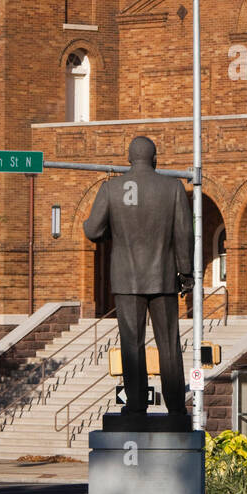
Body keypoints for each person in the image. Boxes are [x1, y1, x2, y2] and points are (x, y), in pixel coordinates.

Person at [83, 136, 194, 416]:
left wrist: (112, 230)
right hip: (163, 278)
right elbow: (184, 234)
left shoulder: (111, 188)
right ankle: (176, 406)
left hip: (126, 279)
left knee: (131, 344)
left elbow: (93, 231)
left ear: (129, 159)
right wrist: (186, 272)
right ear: (155, 158)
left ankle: (135, 405)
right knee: (168, 342)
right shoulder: (173, 188)